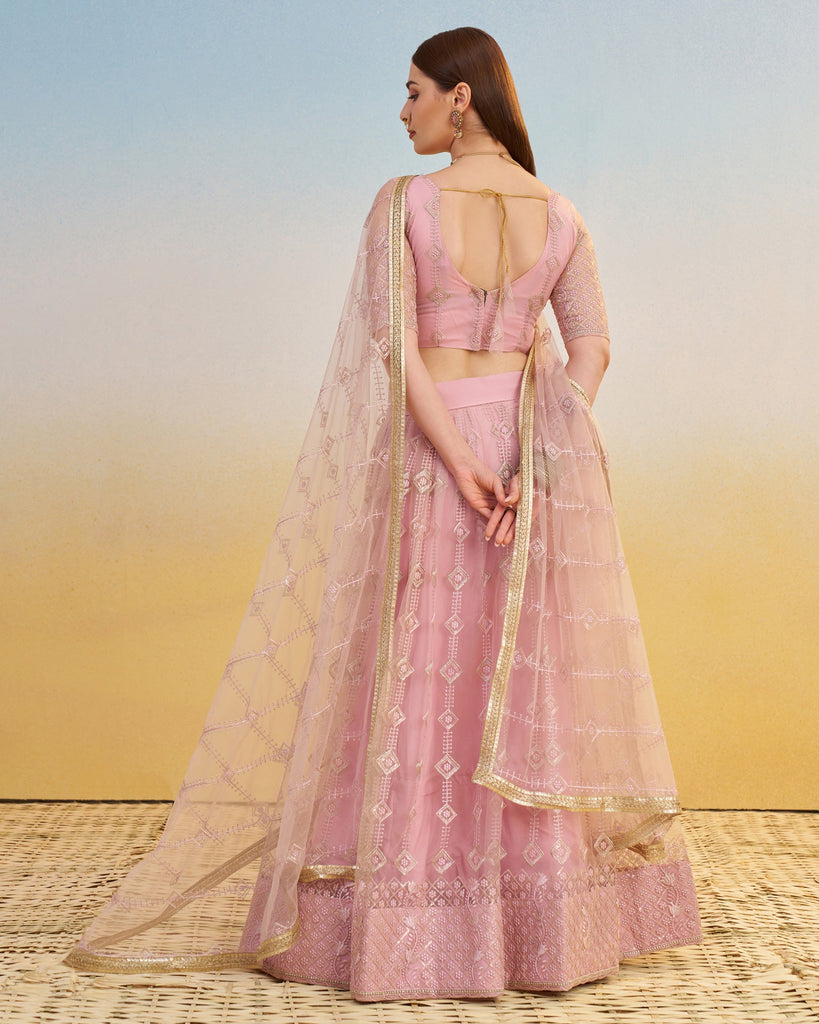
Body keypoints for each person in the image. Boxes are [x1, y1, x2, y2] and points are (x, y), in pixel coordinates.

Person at [65, 27, 703, 1000]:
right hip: (530, 463)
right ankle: (534, 931)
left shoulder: (405, 203)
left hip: (437, 455)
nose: (402, 111)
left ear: (460, 96)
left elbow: (397, 349)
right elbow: (593, 344)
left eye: (412, 92)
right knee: (516, 674)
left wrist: (459, 460)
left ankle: (413, 922)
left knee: (418, 663)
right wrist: (540, 451)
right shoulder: (562, 213)